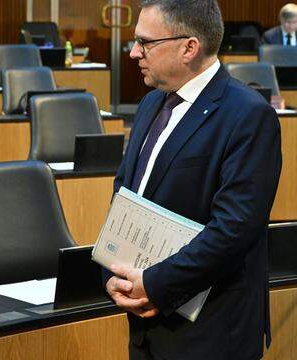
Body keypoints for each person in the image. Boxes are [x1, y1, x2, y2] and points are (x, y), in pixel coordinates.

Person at [103, 1, 282, 359]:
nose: (135, 52)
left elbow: (234, 229)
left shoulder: (248, 115)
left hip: (211, 333)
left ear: (189, 47)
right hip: (146, 325)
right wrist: (114, 274)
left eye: (146, 42)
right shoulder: (150, 103)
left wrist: (155, 285)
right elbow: (125, 194)